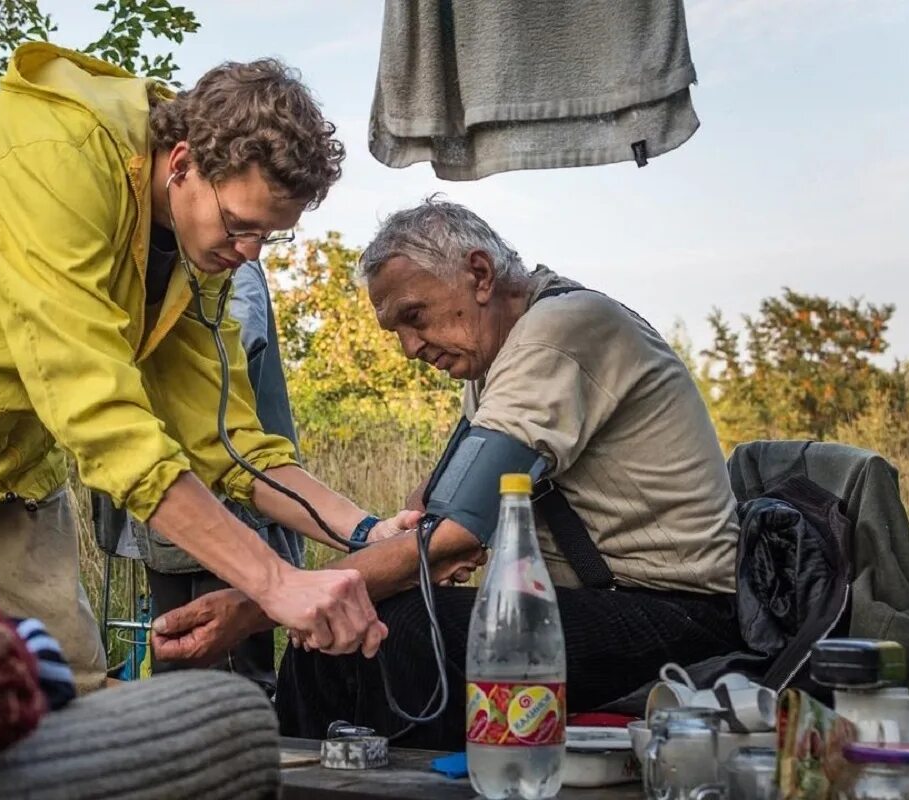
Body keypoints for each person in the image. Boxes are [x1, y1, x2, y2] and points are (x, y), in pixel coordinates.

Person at [0, 43, 409, 693]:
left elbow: (228, 443)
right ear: (182, 164)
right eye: (238, 225)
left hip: (6, 461)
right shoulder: (52, 156)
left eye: (268, 236)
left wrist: (367, 530)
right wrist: (275, 582)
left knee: (70, 682)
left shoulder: (195, 246)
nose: (248, 253)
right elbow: (97, 413)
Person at [151, 197, 744, 749]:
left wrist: (269, 603)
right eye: (399, 331)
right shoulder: (497, 359)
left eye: (416, 317)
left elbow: (455, 532)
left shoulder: (562, 332)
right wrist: (383, 558)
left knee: (400, 629)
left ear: (480, 275)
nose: (410, 347)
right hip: (599, 603)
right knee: (348, 629)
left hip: (678, 613)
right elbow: (437, 504)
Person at [129, 258, 305, 693]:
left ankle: (240, 751)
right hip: (167, 501)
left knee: (236, 668)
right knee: (174, 656)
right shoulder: (165, 263)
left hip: (232, 496)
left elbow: (234, 349)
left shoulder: (232, 267)